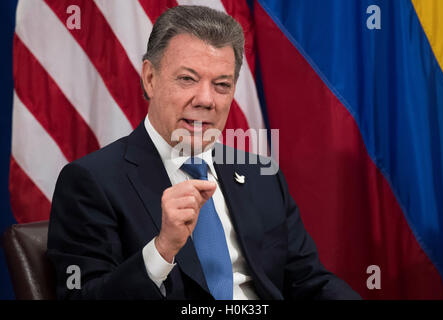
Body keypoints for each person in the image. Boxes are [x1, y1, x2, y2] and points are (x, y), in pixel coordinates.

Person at [47, 5, 360, 300]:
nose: (206, 99)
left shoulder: (260, 175)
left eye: (222, 84)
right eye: (187, 79)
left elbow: (308, 282)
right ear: (150, 78)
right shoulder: (92, 181)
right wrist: (162, 249)